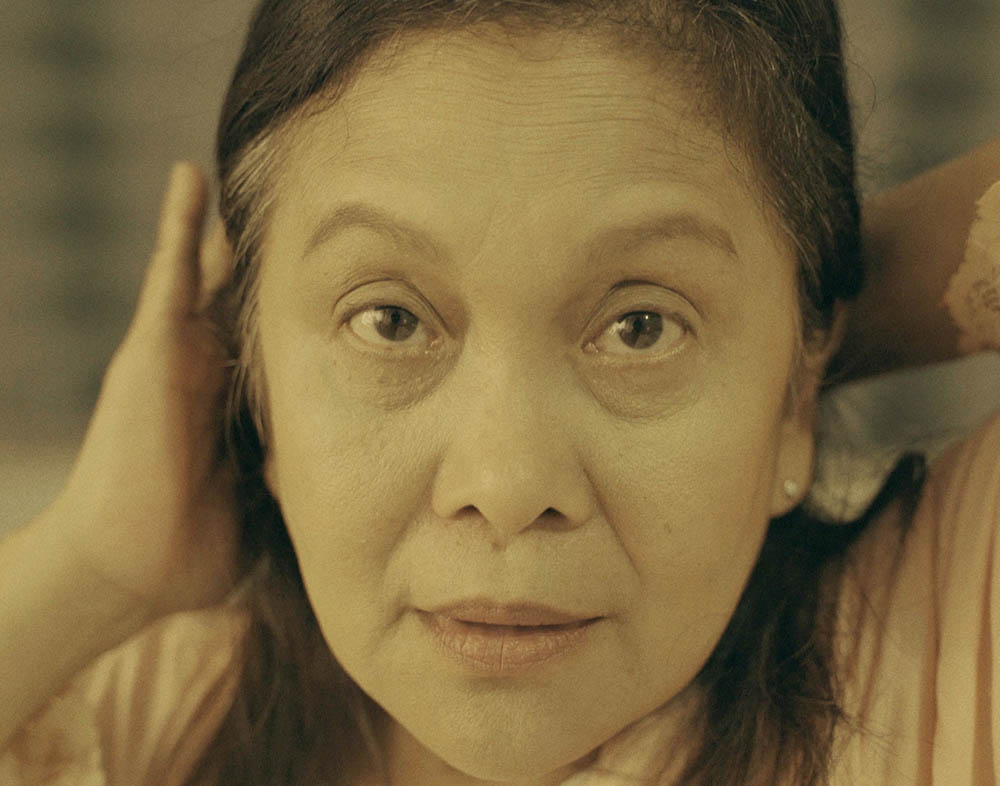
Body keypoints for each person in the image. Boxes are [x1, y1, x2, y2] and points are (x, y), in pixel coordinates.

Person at [1, 1, 998, 784]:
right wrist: (94, 564)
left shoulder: (940, 652)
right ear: (247, 372)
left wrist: (799, 333)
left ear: (796, 392)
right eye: (390, 320)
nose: (508, 485)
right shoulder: (146, 712)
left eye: (641, 327)